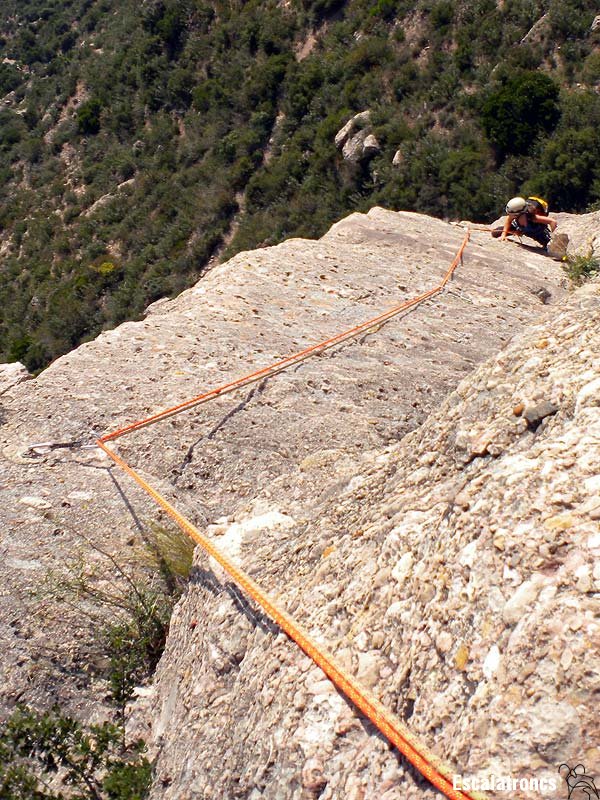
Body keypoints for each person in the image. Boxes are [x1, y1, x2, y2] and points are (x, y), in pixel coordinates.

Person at [491, 196, 557, 248]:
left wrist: (554, 238)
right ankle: (521, 230)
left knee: (552, 247)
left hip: (537, 232)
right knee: (495, 233)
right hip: (520, 228)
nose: (510, 216)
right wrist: (503, 235)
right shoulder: (515, 214)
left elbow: (552, 222)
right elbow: (509, 220)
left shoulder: (533, 217)